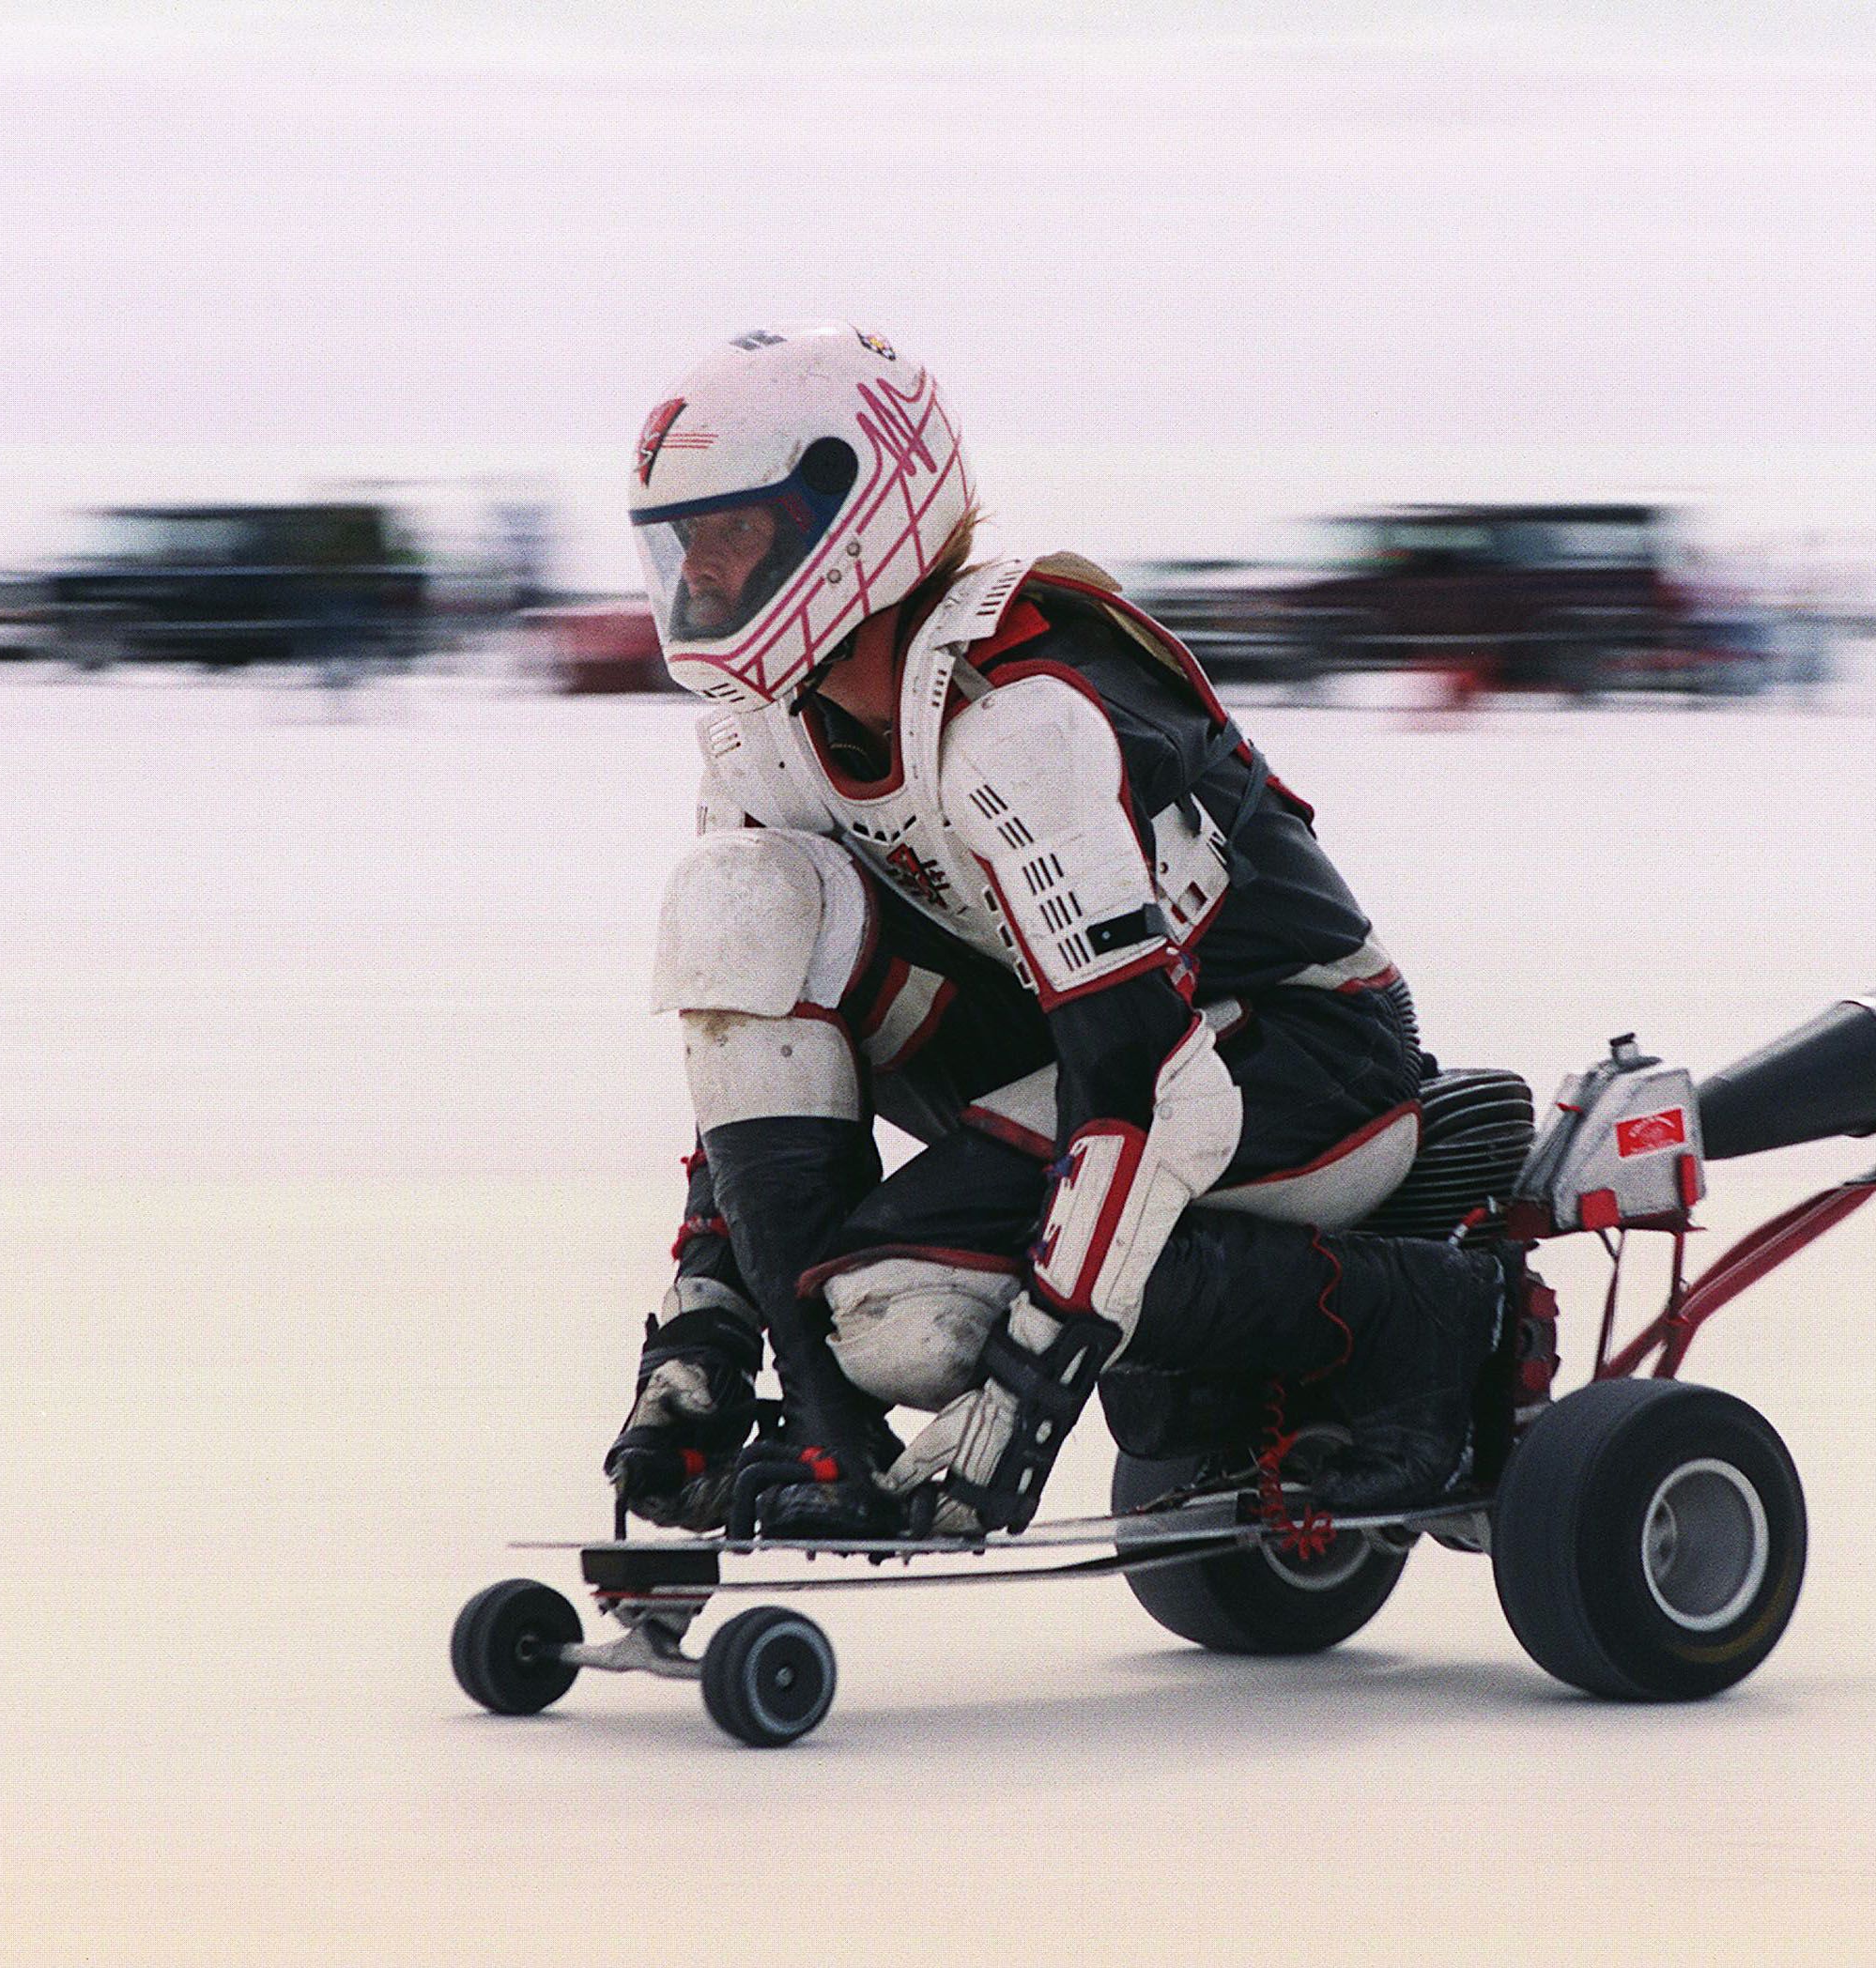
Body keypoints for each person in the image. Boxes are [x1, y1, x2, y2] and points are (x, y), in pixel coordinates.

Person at [603, 323, 1521, 1542]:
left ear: (856, 512)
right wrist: (705, 1347)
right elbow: (757, 1058)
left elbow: (1157, 1095)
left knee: (911, 1319)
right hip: (1090, 1050)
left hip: (1302, 1058)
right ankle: (829, 1426)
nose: (703, 574)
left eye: (737, 530)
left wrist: (1016, 1412)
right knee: (737, 900)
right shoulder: (755, 731)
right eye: (685, 542)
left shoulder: (1018, 713)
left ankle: (1421, 1314)